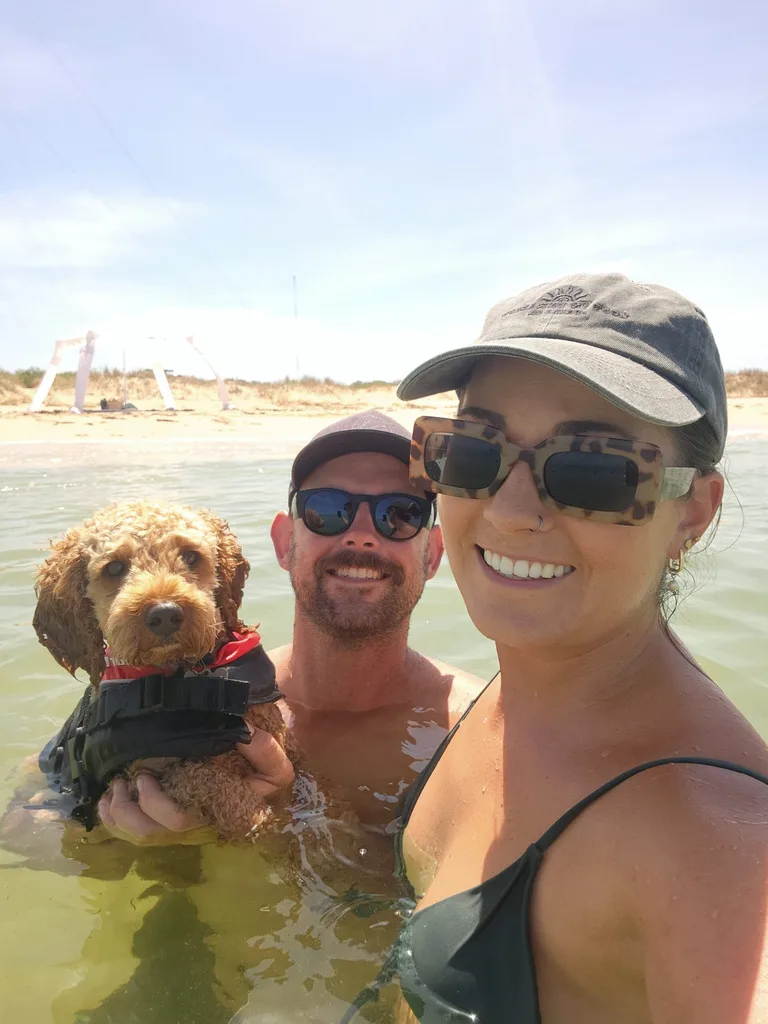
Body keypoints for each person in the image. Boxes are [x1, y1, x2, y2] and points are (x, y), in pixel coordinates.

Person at [387, 273, 768, 1023]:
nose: (511, 509)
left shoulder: (711, 843)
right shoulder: (509, 691)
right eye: (470, 451)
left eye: (593, 470)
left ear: (692, 509)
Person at [94, 409, 485, 844]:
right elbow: (29, 819)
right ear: (284, 543)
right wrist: (106, 832)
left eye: (400, 514)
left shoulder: (481, 730)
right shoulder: (191, 699)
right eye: (327, 510)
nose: (360, 535)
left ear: (432, 555)